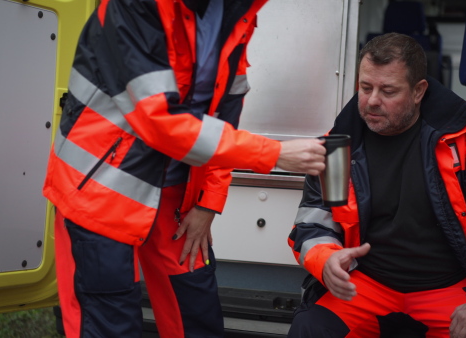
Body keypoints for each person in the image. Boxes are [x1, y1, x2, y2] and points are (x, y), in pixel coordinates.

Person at [42, 0, 325, 337]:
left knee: (197, 318)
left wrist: (209, 199)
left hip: (178, 195)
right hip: (101, 191)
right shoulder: (132, 7)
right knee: (110, 325)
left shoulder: (235, 12)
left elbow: (222, 119)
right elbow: (159, 120)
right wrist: (274, 154)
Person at [287, 32, 466, 338]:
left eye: (388, 91)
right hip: (366, 285)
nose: (373, 101)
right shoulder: (338, 146)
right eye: (365, 88)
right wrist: (327, 260)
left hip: (447, 287)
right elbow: (311, 225)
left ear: (419, 91)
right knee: (310, 329)